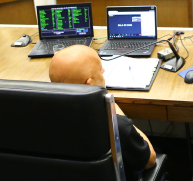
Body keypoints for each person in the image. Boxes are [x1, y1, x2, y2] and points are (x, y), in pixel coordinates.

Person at [49, 45, 156, 181]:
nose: (103, 70)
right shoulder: (116, 126)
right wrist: (111, 107)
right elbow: (150, 160)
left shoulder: (39, 117)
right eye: (100, 70)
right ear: (89, 83)